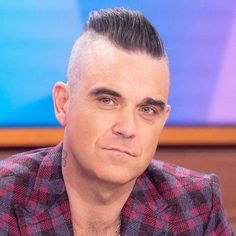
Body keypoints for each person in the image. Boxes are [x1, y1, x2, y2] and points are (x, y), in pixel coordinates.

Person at [0, 7, 233, 236]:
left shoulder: (196, 205)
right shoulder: (5, 197)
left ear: (163, 120)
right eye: (108, 101)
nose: (127, 128)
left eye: (147, 109)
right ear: (63, 103)